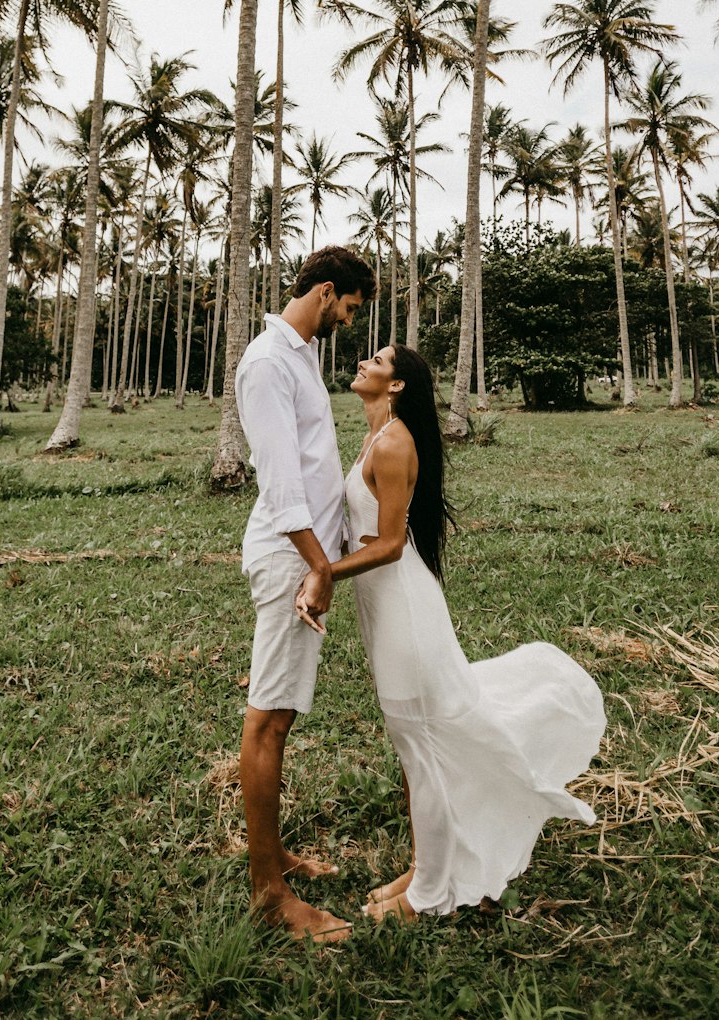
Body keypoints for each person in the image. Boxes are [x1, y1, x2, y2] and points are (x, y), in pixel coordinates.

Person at [298, 344, 605, 920]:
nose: (364, 362)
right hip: (388, 610)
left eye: (378, 362)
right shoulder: (377, 435)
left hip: (405, 612)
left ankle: (428, 894)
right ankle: (424, 867)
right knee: (417, 749)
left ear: (396, 387)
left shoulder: (392, 443)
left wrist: (323, 573)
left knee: (424, 752)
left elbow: (388, 547)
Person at [235, 244, 376, 943]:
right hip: (292, 560)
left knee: (281, 716)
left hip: (310, 554)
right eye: (348, 309)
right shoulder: (266, 364)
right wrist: (319, 568)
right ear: (325, 292)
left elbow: (315, 465)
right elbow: (281, 485)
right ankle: (268, 890)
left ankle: (275, 856)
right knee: (268, 719)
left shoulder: (300, 354)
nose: (348, 323)